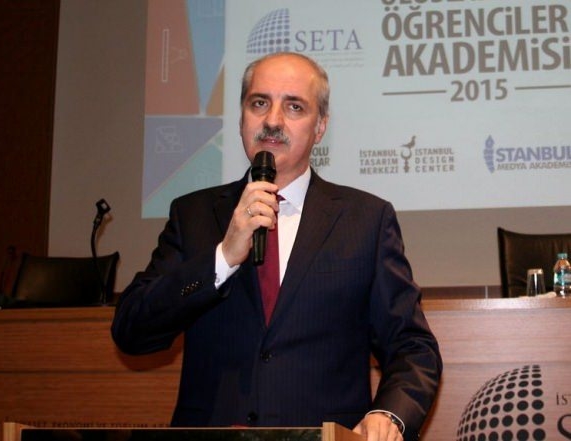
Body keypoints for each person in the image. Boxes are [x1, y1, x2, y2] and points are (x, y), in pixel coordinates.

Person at [112, 52, 442, 441]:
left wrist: (389, 414)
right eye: (259, 103)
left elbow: (411, 345)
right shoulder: (194, 214)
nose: (272, 120)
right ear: (241, 119)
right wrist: (222, 258)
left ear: (320, 127)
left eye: (294, 106)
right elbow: (132, 330)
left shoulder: (365, 219)